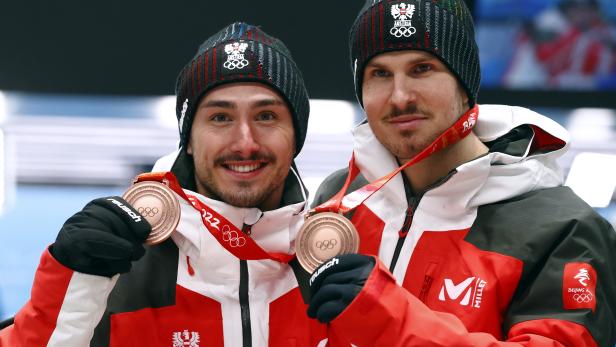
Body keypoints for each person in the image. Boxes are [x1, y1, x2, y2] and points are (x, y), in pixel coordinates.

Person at [0, 22, 330, 347]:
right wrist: (65, 288)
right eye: (220, 118)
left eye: (266, 116)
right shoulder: (116, 267)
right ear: (188, 140)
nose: (245, 142)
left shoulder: (333, 268)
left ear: (296, 136)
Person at [307, 1, 616, 346]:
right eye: (379, 73)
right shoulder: (339, 197)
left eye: (422, 69)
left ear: (464, 82)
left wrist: (391, 319)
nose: (400, 96)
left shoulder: (563, 227)